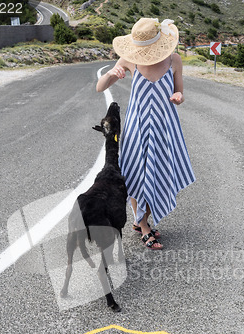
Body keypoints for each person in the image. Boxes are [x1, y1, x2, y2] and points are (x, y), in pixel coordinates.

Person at [96, 18, 196, 250]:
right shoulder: (130, 59)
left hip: (164, 127)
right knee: (135, 174)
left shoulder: (174, 60)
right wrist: (112, 73)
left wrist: (178, 97)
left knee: (159, 171)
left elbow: (179, 91)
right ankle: (142, 224)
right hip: (137, 128)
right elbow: (100, 87)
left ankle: (141, 219)